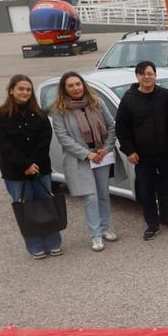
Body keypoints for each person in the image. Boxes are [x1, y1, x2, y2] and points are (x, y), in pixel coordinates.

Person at [0, 73, 62, 259]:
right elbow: (1, 145)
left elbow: (45, 140)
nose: (25, 92)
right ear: (11, 90)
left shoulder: (39, 114)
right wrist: (25, 165)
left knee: (46, 204)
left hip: (40, 169)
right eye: (21, 89)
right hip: (15, 172)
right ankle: (35, 245)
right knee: (26, 208)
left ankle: (53, 242)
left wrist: (34, 163)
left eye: (28, 89)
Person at [49, 71, 118, 251]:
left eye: (78, 84)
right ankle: (96, 235)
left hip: (101, 156)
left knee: (103, 194)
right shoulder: (60, 110)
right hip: (80, 158)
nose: (75, 88)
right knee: (90, 197)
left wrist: (106, 148)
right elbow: (63, 137)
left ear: (83, 85)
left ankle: (106, 227)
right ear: (64, 89)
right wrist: (87, 154)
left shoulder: (97, 102)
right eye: (70, 85)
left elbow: (111, 126)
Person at [115, 60, 168, 240]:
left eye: (150, 74)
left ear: (155, 76)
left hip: (166, 152)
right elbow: (121, 129)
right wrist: (129, 151)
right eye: (142, 74)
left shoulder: (166, 96)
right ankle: (152, 225)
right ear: (137, 76)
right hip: (142, 156)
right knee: (146, 191)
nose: (146, 77)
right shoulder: (128, 100)